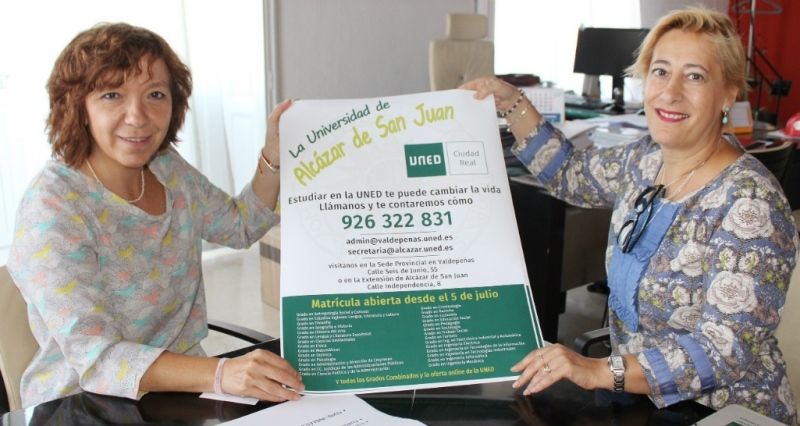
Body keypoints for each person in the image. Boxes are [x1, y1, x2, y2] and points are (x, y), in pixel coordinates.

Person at [463, 8, 797, 424]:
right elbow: (569, 174)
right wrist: (512, 101)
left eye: (694, 76)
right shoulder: (644, 160)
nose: (670, 92)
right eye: (661, 72)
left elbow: (721, 351)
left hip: (723, 411)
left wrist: (598, 370)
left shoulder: (750, 202)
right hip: (640, 402)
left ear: (728, 94)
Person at [7, 23, 304, 407]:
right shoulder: (51, 207)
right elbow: (98, 360)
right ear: (78, 106)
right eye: (112, 95)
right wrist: (221, 373)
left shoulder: (167, 168)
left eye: (155, 95)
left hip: (179, 394)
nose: (138, 117)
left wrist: (274, 156)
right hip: (80, 403)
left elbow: (241, 225)